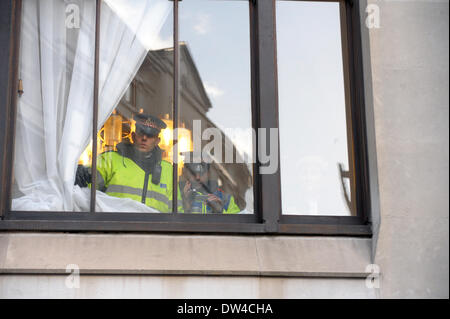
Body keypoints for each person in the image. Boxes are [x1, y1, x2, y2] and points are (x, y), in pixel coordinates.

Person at [75, 113, 182, 213]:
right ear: (133, 136)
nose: (144, 138)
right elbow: (86, 189)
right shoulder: (111, 160)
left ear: (157, 141)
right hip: (115, 229)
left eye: (150, 136)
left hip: (155, 231)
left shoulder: (168, 171)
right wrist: (80, 175)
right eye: (141, 133)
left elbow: (177, 211)